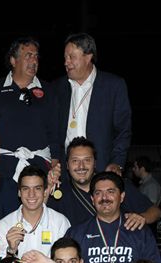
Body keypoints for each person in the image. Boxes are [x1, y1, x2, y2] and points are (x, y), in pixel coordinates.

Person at [0, 37, 55, 225]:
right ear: (13, 60)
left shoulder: (49, 90)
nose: (34, 61)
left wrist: (55, 166)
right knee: (4, 223)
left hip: (39, 169)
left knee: (40, 223)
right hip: (4, 172)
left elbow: (55, 132)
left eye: (36, 56)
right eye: (28, 56)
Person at [51, 33, 131, 175]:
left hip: (102, 171)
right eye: (65, 57)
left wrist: (117, 162)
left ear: (88, 57)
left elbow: (123, 130)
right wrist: (54, 161)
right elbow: (52, 131)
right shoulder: (56, 88)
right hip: (65, 173)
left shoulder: (113, 86)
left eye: (71, 57)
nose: (66, 62)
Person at [65, 171, 161, 263]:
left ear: (122, 197)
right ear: (92, 199)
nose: (104, 197)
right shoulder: (76, 233)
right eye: (98, 193)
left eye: (110, 192)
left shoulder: (138, 230)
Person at [48, 137, 161, 228]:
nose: (81, 166)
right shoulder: (59, 192)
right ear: (67, 165)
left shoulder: (116, 184)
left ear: (95, 163)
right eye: (75, 161)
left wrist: (141, 218)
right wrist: (48, 187)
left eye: (87, 160)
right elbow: (40, 218)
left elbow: (156, 212)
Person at [0, 165, 70, 258]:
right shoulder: (5, 224)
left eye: (37, 188)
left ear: (45, 191)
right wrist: (11, 250)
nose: (31, 194)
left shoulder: (60, 222)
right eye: (26, 189)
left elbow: (66, 262)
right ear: (19, 192)